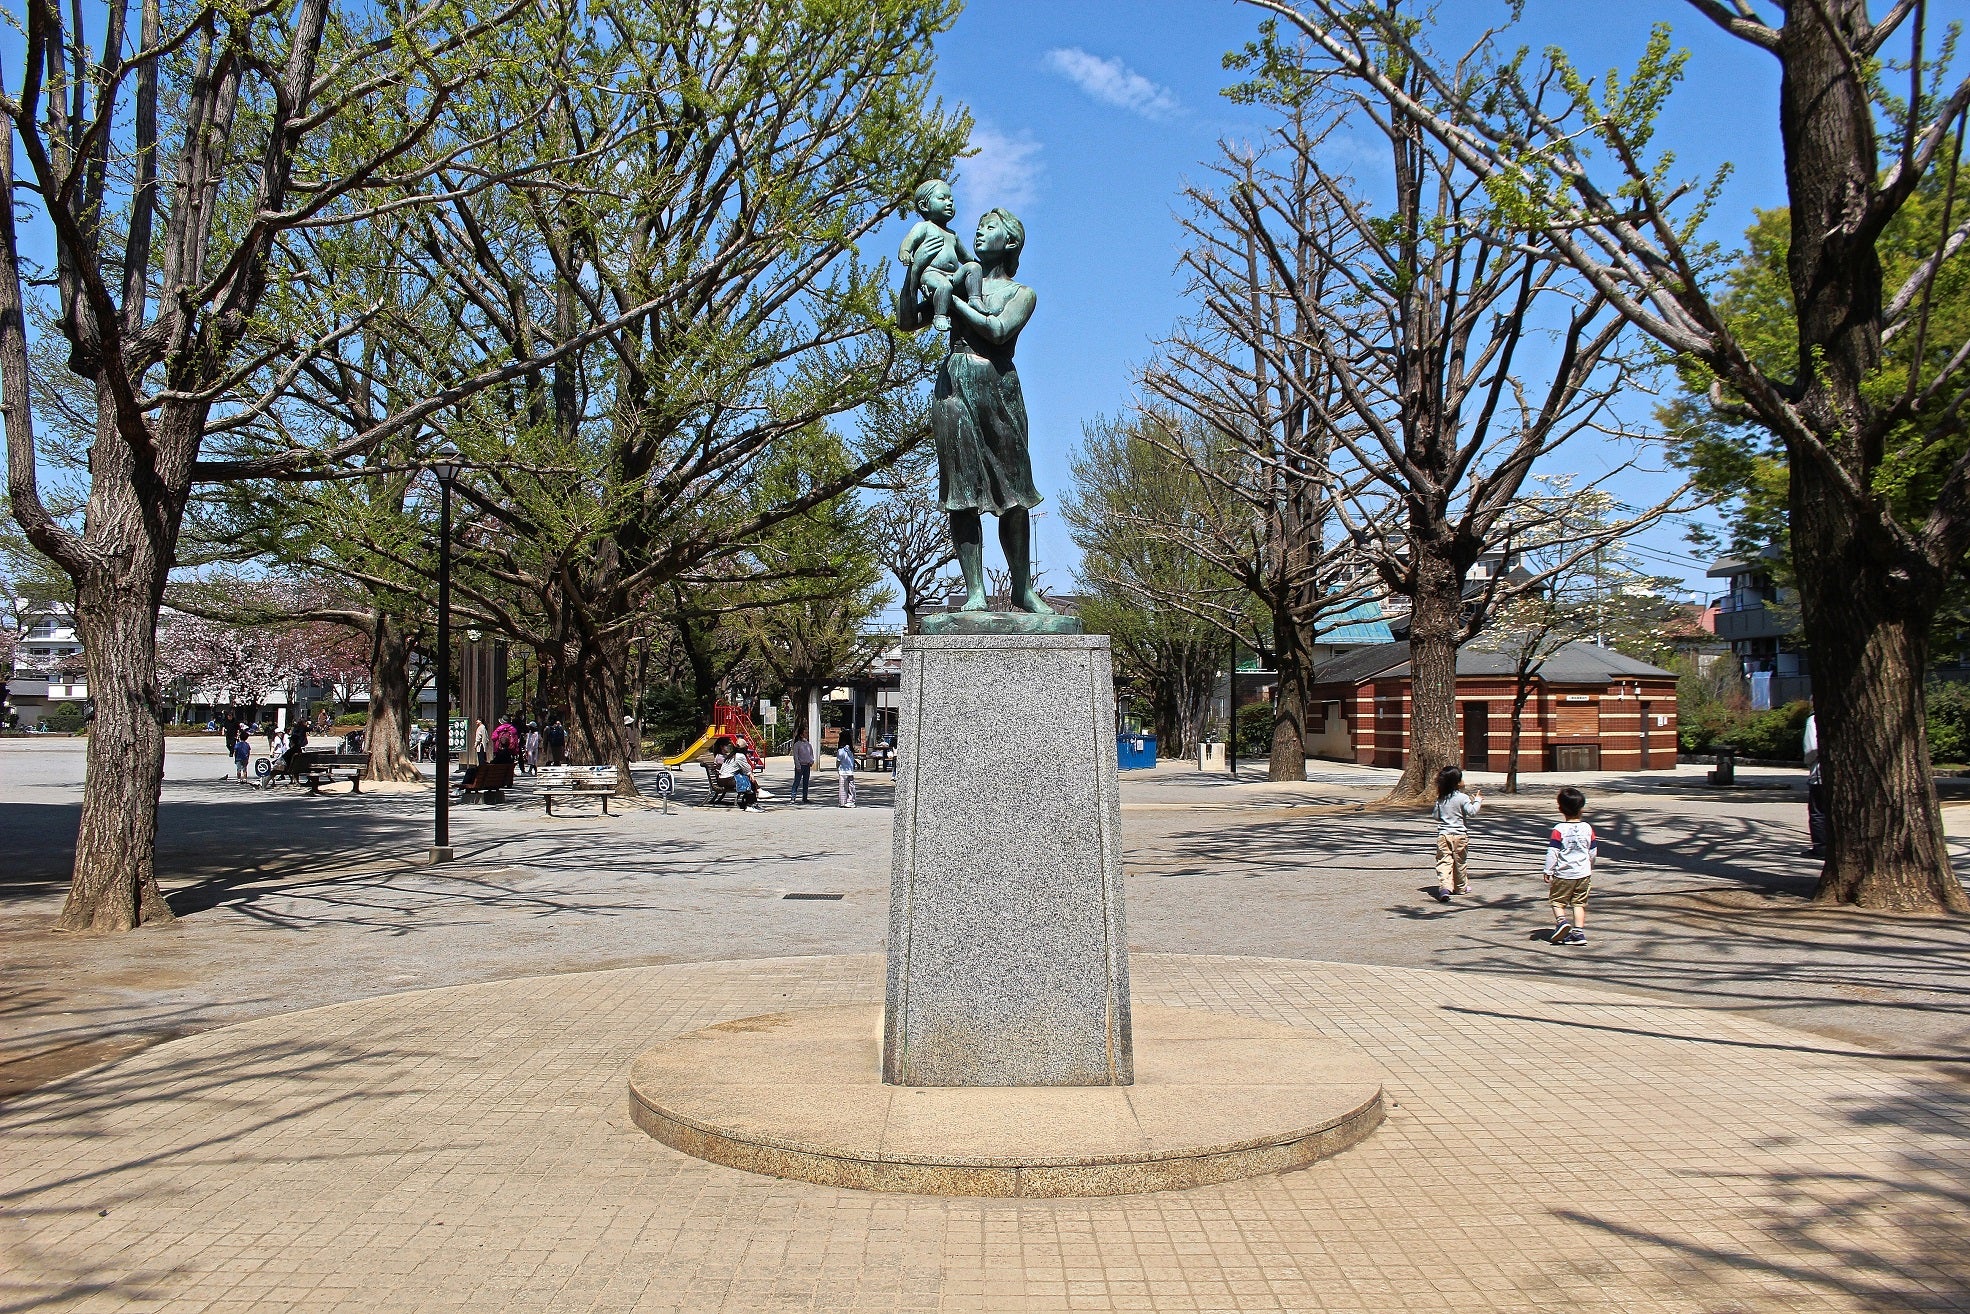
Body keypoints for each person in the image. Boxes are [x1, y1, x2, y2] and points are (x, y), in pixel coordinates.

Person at [899, 205, 1050, 615]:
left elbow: (997, 330)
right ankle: (975, 592)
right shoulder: (959, 280)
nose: (979, 232)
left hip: (999, 388)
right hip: (954, 384)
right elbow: (908, 321)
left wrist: (952, 303)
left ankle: (1022, 589)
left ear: (1011, 241)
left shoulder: (1021, 293)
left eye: (990, 227)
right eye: (979, 226)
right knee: (961, 492)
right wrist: (915, 276)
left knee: (1015, 494)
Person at [897, 179, 980, 335]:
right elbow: (909, 241)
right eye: (942, 198)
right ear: (924, 206)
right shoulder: (924, 227)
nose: (949, 203)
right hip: (932, 274)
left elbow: (966, 257)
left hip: (953, 275)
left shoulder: (953, 235)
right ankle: (940, 316)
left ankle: (975, 299)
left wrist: (977, 264)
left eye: (951, 200)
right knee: (944, 287)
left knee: (973, 268)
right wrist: (905, 252)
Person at [1544, 786, 1598, 945]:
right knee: (1579, 903)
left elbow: (1553, 852)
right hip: (1583, 873)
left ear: (1560, 809)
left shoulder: (1559, 829)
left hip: (1564, 873)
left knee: (1557, 901)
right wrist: (1590, 865)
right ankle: (1578, 933)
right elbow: (1593, 851)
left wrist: (1548, 870)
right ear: (1581, 809)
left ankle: (1561, 921)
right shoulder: (1587, 828)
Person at [1431, 764, 1482, 903]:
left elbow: (1435, 816)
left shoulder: (1441, 798)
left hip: (1443, 835)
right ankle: (1460, 887)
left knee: (1444, 862)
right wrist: (1478, 800)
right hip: (1460, 835)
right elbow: (1472, 812)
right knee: (1460, 862)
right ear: (1457, 782)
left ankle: (1445, 887)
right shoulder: (1463, 797)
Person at [1803, 711, 1829, 858]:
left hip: (1819, 774)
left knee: (1818, 812)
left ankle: (1821, 847)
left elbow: (1811, 748)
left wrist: (1807, 762)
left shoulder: (1813, 720)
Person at [790, 727, 816, 804]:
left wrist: (811, 761)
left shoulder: (808, 744)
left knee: (806, 782)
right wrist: (798, 766)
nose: (807, 734)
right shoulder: (797, 745)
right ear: (801, 735)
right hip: (800, 765)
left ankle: (805, 798)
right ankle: (793, 797)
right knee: (797, 781)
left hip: (807, 766)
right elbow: (796, 756)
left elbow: (811, 754)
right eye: (805, 733)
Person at [836, 738, 858, 809]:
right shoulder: (851, 750)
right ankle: (851, 801)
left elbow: (838, 761)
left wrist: (837, 767)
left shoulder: (840, 751)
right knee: (851, 787)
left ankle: (843, 802)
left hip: (843, 771)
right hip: (850, 771)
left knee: (843, 787)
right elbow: (852, 760)